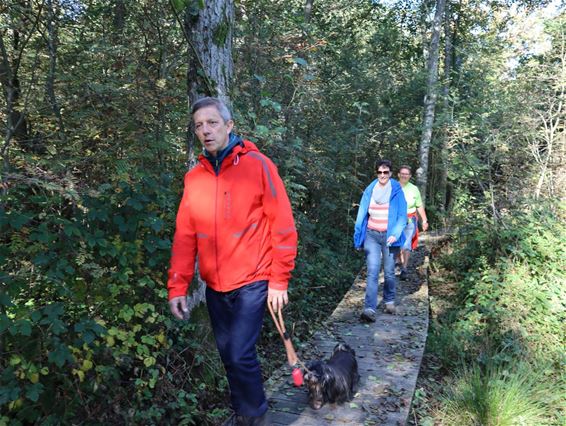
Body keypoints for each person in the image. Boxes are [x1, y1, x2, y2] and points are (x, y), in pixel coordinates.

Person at [167, 97, 298, 426]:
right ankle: (244, 411)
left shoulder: (258, 166)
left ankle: (255, 415)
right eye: (198, 125)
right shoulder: (194, 178)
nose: (205, 131)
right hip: (215, 286)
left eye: (211, 123)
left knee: (240, 353)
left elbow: (282, 225)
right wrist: (177, 286)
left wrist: (279, 280)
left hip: (253, 280)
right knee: (229, 356)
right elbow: (185, 236)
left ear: (229, 126)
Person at [353, 159, 407, 321]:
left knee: (389, 272)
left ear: (390, 173)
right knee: (373, 271)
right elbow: (361, 214)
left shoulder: (396, 190)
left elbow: (402, 216)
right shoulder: (370, 190)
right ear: (376, 173)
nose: (382, 175)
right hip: (372, 235)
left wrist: (396, 233)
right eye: (379, 172)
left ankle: (389, 301)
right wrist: (358, 238)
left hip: (390, 238)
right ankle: (369, 308)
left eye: (386, 172)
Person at [397, 165, 428, 280]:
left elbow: (419, 205)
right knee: (396, 244)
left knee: (406, 244)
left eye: (407, 174)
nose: (404, 175)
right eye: (402, 173)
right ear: (399, 175)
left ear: (410, 176)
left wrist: (424, 220)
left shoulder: (414, 188)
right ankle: (400, 261)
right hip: (395, 220)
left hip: (410, 219)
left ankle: (404, 268)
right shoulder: (393, 187)